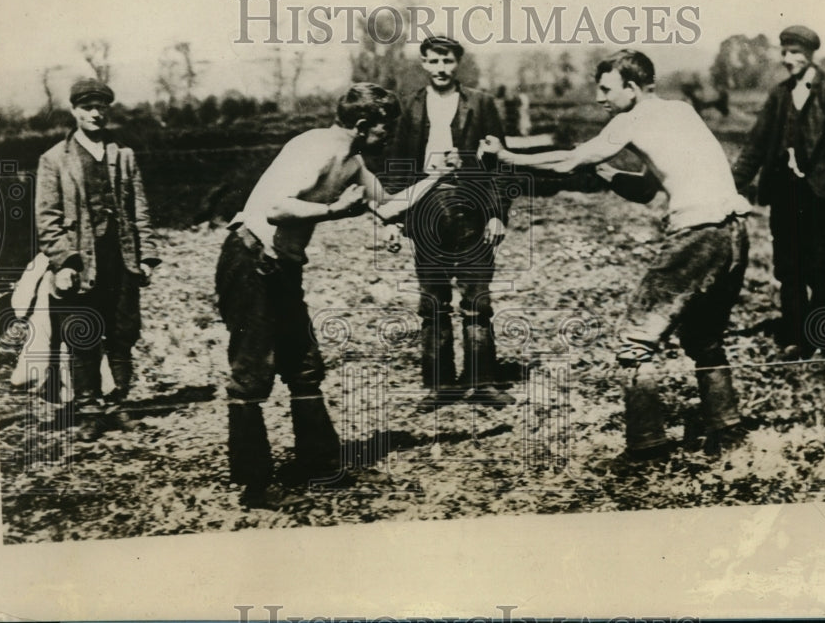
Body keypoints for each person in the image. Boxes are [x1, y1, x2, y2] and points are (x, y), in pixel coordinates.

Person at [480, 49, 753, 457]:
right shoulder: (682, 111)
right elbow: (645, 189)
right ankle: (728, 429)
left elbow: (569, 160)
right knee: (704, 338)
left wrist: (508, 157)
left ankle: (647, 446)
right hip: (734, 232)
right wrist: (604, 170)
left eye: (606, 88)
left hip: (697, 234)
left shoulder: (632, 117)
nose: (598, 98)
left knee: (634, 342)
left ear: (631, 87)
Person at [216, 82, 450, 508]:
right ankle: (254, 485)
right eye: (384, 129)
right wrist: (334, 211)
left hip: (282, 266)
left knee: (304, 365)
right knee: (252, 372)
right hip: (250, 259)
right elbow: (276, 209)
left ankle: (320, 464)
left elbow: (389, 206)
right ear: (362, 125)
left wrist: (437, 178)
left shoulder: (353, 161)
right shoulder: (317, 148)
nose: (388, 137)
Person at [384, 35, 515, 411]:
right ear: (423, 64)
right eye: (432, 62)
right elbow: (397, 167)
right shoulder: (409, 108)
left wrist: (496, 213)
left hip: (473, 208)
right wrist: (393, 219)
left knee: (477, 298)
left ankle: (482, 381)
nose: (440, 69)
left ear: (458, 63)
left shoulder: (482, 103)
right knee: (433, 301)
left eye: (446, 62)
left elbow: (499, 164)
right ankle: (439, 384)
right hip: (425, 209)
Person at [731, 25, 825, 358]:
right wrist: (730, 184)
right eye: (784, 52)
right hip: (785, 193)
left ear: (809, 55)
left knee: (820, 267)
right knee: (788, 268)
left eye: (794, 52)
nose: (787, 59)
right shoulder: (779, 95)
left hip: (822, 192)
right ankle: (796, 338)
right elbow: (756, 144)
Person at [35, 78, 160, 441]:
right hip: (80, 265)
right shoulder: (54, 160)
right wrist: (64, 263)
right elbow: (47, 219)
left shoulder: (124, 156)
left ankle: (118, 403)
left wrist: (148, 255)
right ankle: (89, 410)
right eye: (87, 107)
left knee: (122, 333)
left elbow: (141, 211)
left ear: (109, 110)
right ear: (74, 111)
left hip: (121, 261)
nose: (95, 113)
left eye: (101, 107)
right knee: (83, 334)